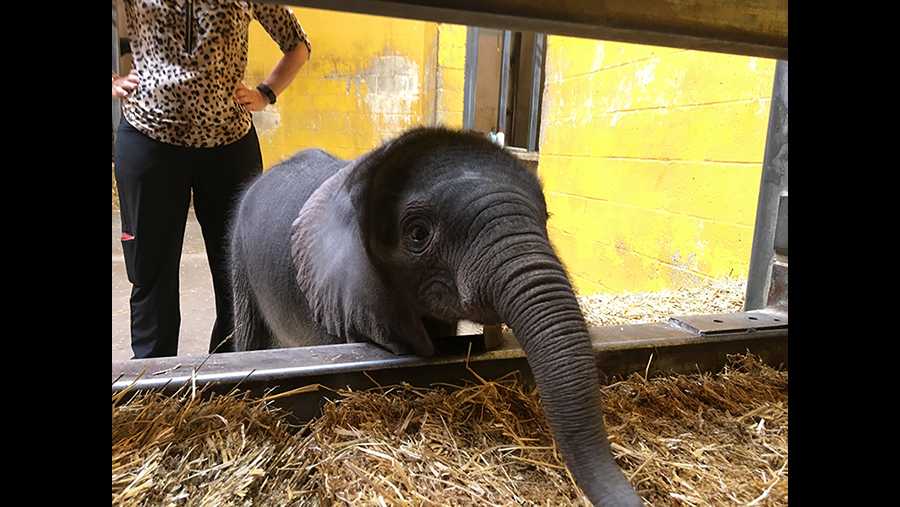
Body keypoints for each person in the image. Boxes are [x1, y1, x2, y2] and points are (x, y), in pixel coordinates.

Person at [112, 1, 312, 358]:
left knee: (237, 278)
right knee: (150, 275)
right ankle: (155, 379)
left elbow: (297, 45)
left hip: (229, 147)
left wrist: (266, 93)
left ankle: (231, 377)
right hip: (149, 139)